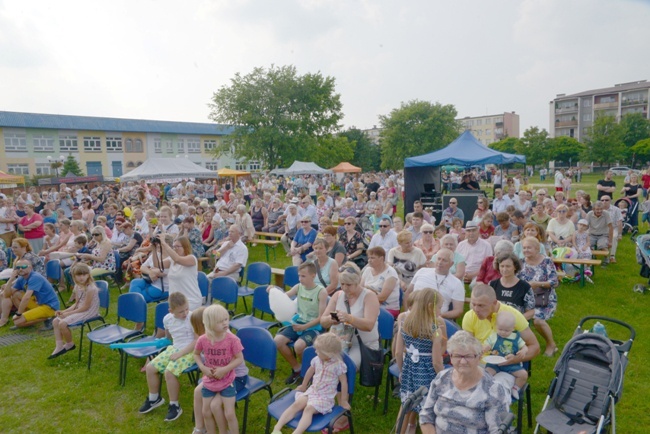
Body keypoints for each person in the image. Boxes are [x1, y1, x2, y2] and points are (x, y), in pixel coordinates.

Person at [419, 331, 510, 434]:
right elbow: (426, 416)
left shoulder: (493, 390)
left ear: (479, 357)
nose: (463, 361)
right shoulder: (441, 378)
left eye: (468, 356)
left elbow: (497, 431)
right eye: (458, 356)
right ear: (451, 357)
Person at [270, 333, 350, 434]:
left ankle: (296, 432)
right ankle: (277, 428)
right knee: (297, 404)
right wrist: (304, 385)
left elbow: (344, 383)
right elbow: (309, 372)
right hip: (312, 391)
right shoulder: (317, 359)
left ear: (329, 353)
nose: (316, 351)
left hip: (324, 398)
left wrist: (343, 401)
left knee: (309, 409)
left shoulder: (338, 365)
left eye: (318, 350)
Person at [139, 292, 197, 422]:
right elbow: (169, 335)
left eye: (187, 309)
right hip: (174, 348)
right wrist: (165, 342)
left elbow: (197, 341)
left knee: (169, 372)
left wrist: (180, 354)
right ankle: (154, 398)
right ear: (171, 311)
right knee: (150, 368)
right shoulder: (167, 319)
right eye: (181, 311)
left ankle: (175, 406)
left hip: (191, 351)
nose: (185, 313)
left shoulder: (192, 318)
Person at [395, 289, 444, 434]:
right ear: (430, 306)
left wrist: (402, 371)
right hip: (427, 373)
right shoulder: (435, 329)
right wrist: (443, 377)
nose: (440, 311)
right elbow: (436, 362)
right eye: (439, 307)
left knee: (405, 405)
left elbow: (398, 352)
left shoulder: (404, 323)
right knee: (427, 411)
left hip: (409, 370)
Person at [274, 262, 328, 385]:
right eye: (299, 276)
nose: (300, 279)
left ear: (313, 275)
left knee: (299, 346)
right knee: (277, 341)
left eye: (303, 276)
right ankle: (297, 369)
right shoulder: (298, 287)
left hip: (314, 326)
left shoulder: (321, 292)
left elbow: (321, 318)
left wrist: (304, 327)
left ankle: (308, 372)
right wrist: (273, 290)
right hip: (298, 322)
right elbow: (283, 297)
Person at [194, 305, 244, 434]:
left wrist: (224, 370)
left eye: (226, 319)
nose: (225, 323)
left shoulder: (233, 340)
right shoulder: (203, 339)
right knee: (206, 412)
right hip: (210, 380)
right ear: (209, 324)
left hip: (228, 380)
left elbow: (239, 358)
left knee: (229, 413)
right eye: (220, 321)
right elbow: (196, 354)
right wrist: (202, 367)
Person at [320, 263, 380, 370]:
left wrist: (349, 318)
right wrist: (333, 319)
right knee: (320, 361)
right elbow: (323, 321)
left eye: (348, 285)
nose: (344, 288)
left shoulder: (369, 296)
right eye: (342, 284)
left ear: (357, 282)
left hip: (362, 344)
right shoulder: (338, 295)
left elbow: (369, 325)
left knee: (345, 367)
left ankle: (343, 386)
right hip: (339, 341)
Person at [462, 284, 540, 361]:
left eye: (481, 305)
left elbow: (534, 347)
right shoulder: (469, 316)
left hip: (506, 364)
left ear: (494, 302)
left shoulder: (512, 315)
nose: (476, 309)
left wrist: (513, 360)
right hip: (478, 363)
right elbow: (467, 346)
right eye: (473, 304)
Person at [518, 236, 559, 357]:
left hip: (544, 298)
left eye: (529, 248)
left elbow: (554, 282)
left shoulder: (546, 261)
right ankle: (523, 345)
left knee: (538, 321)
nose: (526, 250)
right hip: (526, 299)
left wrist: (537, 284)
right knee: (514, 318)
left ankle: (551, 344)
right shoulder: (521, 262)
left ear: (537, 249)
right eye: (524, 248)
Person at [49, 263, 100, 358]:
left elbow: (86, 307)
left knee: (62, 324)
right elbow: (77, 304)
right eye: (79, 275)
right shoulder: (77, 286)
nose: (82, 277)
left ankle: (69, 344)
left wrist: (68, 313)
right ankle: (59, 346)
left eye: (84, 275)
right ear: (74, 276)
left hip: (89, 312)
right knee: (55, 321)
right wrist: (64, 311)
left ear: (88, 275)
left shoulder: (91, 288)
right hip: (80, 309)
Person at [482, 311, 529, 400]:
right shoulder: (494, 336)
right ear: (496, 326)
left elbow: (525, 347)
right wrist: (486, 347)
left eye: (506, 330)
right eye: (500, 329)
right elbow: (487, 344)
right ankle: (485, 389)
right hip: (495, 363)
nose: (503, 332)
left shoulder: (516, 337)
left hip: (511, 364)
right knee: (486, 374)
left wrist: (523, 351)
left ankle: (515, 388)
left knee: (523, 375)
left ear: (513, 328)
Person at [407, 248, 465, 320]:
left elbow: (458, 310)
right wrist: (408, 311)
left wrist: (440, 315)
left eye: (444, 260)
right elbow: (408, 293)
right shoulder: (422, 271)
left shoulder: (456, 283)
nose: (440, 262)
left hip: (436, 319)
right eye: (439, 259)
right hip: (413, 315)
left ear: (451, 264)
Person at [0, 259, 60, 328]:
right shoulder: (22, 278)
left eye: (24, 266)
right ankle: (27, 317)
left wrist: (18, 314)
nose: (20, 269)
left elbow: (27, 297)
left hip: (49, 306)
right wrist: (11, 279)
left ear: (30, 267)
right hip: (38, 303)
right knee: (16, 295)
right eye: (18, 267)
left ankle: (50, 317)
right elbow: (6, 295)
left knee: (17, 322)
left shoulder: (35, 277)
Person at [158, 235, 203, 310]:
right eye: (174, 247)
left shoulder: (191, 258)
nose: (175, 249)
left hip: (190, 300)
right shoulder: (171, 260)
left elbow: (177, 259)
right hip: (175, 300)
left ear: (185, 247)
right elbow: (158, 265)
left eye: (177, 247)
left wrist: (164, 243)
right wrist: (153, 249)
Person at [489, 253, 535, 320]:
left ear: (515, 267)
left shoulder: (525, 287)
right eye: (502, 266)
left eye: (508, 266)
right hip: (494, 322)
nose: (504, 269)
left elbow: (531, 311)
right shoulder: (492, 284)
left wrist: (517, 320)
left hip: (516, 324)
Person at [360, 247, 400, 318]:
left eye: (372, 258)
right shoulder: (367, 270)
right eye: (369, 258)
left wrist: (364, 299)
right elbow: (360, 289)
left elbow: (382, 298)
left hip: (387, 309)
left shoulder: (390, 273)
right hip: (368, 304)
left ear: (381, 258)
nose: (369, 260)